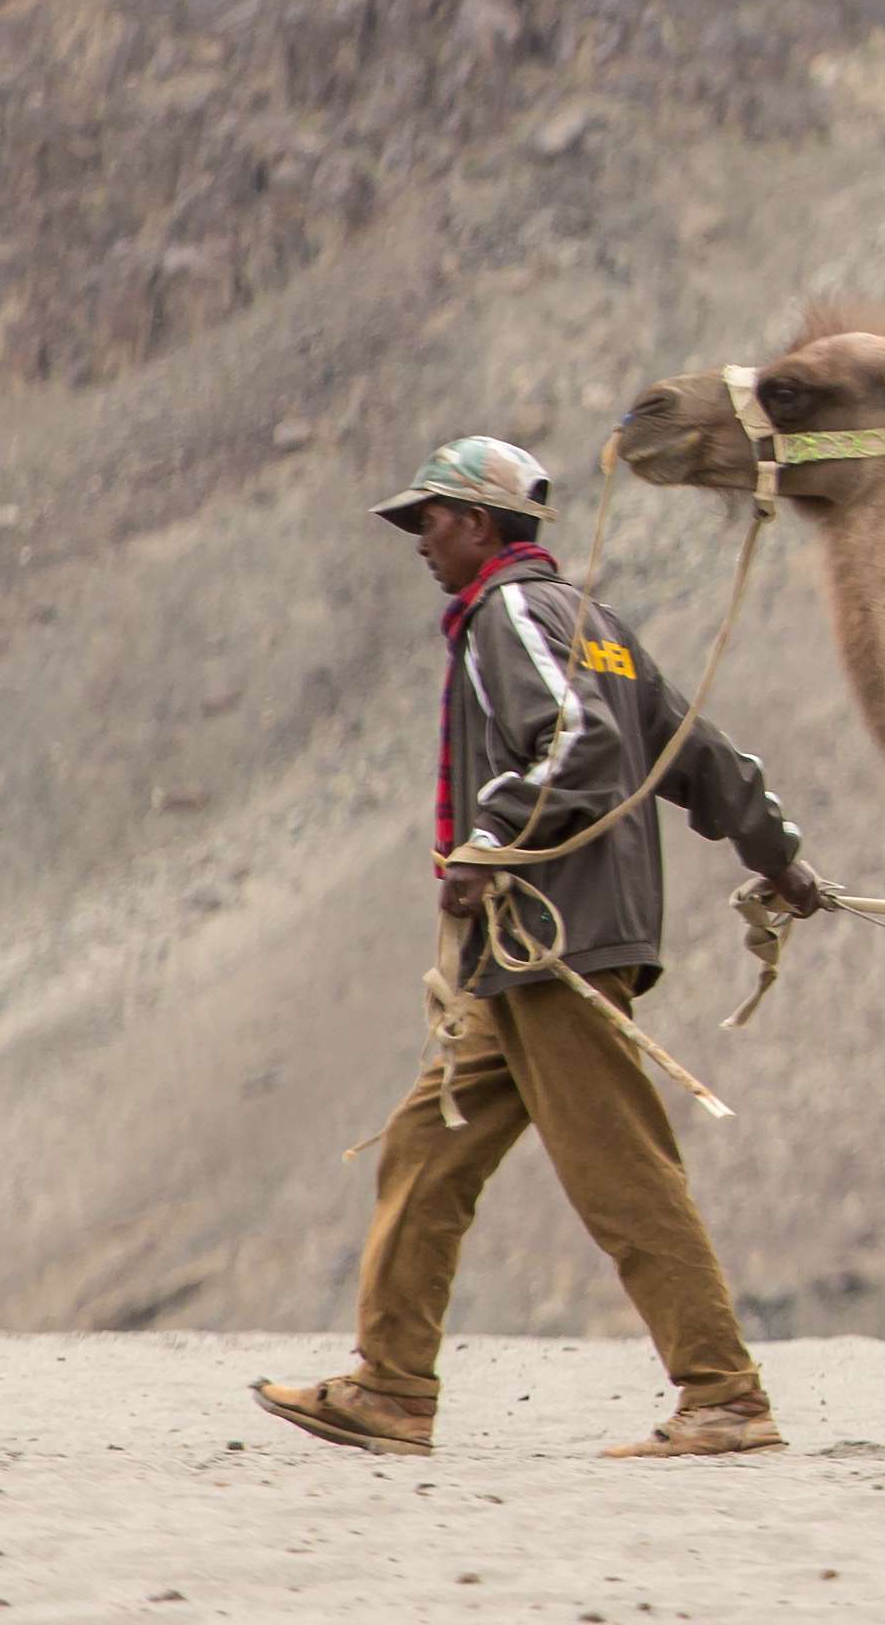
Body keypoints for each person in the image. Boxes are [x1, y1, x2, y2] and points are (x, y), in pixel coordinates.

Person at [253, 437, 831, 1460]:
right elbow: (698, 750)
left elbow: (581, 739)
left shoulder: (509, 613)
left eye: (429, 518)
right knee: (426, 1150)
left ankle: (725, 1396)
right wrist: (777, 854)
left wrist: (490, 836)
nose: (419, 539)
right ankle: (391, 1387)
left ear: (479, 523)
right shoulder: (595, 624)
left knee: (622, 1170)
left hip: (555, 940)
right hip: (521, 956)